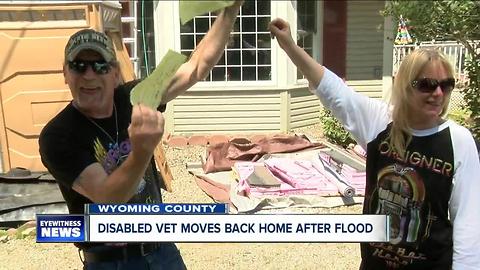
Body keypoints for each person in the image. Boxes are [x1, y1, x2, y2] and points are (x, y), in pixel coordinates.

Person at [39, 2, 243, 269]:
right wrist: (142, 151)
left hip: (163, 250)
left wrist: (230, 10)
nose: (89, 75)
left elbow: (196, 66)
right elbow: (108, 198)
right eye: (78, 65)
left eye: (100, 65)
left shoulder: (135, 96)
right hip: (112, 262)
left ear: (114, 73)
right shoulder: (58, 135)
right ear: (65, 73)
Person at [269, 18, 480, 270]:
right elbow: (333, 91)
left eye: (446, 85)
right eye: (426, 85)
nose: (438, 94)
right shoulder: (381, 123)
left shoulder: (459, 141)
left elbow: (469, 226)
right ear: (405, 86)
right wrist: (290, 46)